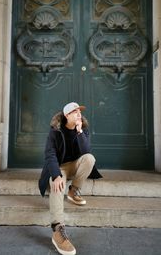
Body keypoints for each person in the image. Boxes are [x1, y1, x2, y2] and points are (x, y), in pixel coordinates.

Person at [39, 102, 102, 255]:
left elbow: (86, 151)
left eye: (79, 111)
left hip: (74, 166)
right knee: (56, 183)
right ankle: (57, 229)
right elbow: (50, 154)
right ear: (67, 115)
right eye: (74, 111)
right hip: (59, 167)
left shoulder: (83, 129)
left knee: (89, 158)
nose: (78, 113)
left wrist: (80, 132)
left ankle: (73, 191)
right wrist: (55, 175)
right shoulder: (55, 131)